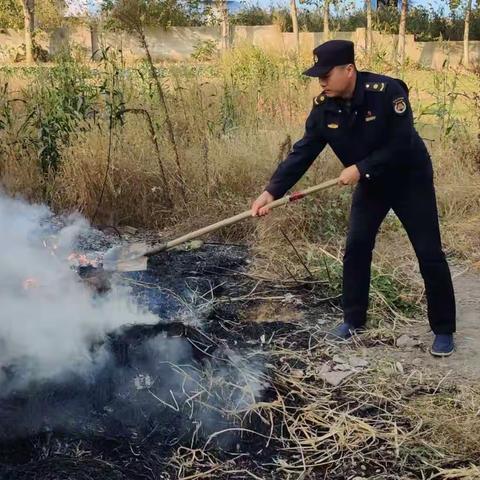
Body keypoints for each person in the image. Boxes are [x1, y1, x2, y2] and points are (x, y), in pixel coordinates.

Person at [251, 40, 456, 357]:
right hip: (372, 184)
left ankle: (443, 329)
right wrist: (270, 192)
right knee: (357, 248)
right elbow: (302, 153)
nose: (320, 81)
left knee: (428, 252)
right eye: (317, 75)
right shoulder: (325, 109)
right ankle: (353, 320)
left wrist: (361, 167)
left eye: (326, 74)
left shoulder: (387, 92)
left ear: (349, 70)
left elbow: (402, 142)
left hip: (409, 179)